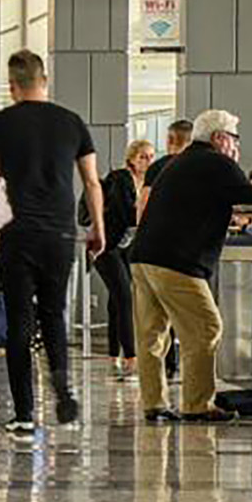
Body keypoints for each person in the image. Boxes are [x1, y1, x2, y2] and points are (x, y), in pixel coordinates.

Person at [0, 50, 106, 436]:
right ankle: (63, 385)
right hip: (60, 233)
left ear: (12, 85)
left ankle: (24, 414)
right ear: (44, 81)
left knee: (18, 320)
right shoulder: (71, 122)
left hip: (17, 233)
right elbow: (91, 182)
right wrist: (97, 228)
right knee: (53, 313)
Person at [127, 111, 252, 424]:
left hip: (144, 257)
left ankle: (154, 403)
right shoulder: (217, 162)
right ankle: (197, 404)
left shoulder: (180, 161)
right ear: (220, 138)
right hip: (176, 260)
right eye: (235, 140)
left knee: (152, 335)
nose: (236, 148)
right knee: (207, 327)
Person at [96, 140, 153, 379]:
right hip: (106, 247)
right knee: (124, 296)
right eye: (142, 157)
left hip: (126, 247)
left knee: (116, 300)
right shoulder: (121, 178)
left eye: (150, 156)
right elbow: (125, 213)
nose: (148, 161)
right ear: (131, 159)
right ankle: (131, 356)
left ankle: (113, 353)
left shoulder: (148, 183)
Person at [139, 118, 192, 218]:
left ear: (170, 139)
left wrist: (140, 229)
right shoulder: (198, 166)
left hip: (161, 225)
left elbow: (144, 203)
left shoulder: (157, 167)